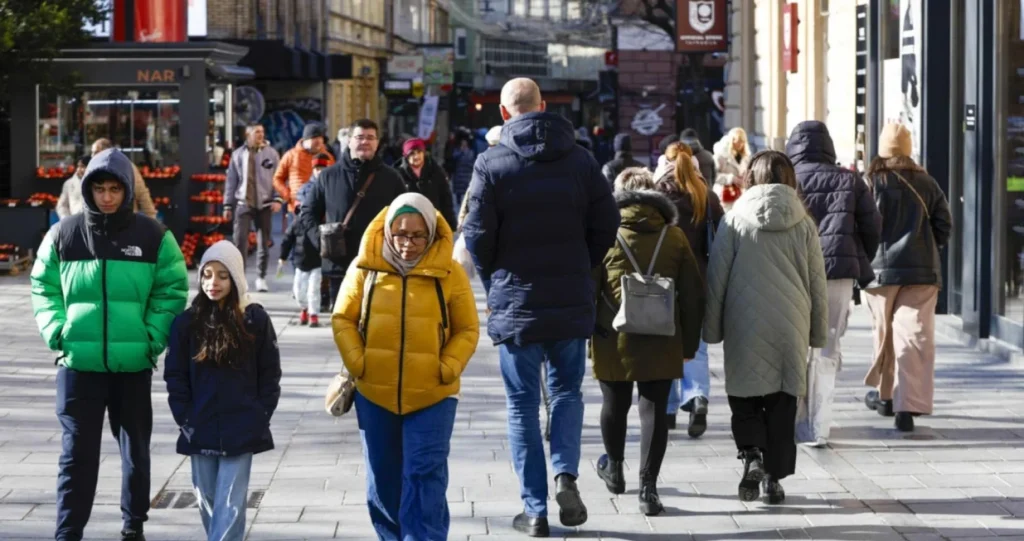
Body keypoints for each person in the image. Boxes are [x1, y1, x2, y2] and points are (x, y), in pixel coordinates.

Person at [463, 77, 620, 537]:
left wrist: (494, 280)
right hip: (569, 297)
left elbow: (476, 235)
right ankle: (565, 475)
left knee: (522, 406)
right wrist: (581, 264)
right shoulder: (581, 160)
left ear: (503, 113)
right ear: (544, 106)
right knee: (567, 392)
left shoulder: (491, 162)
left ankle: (534, 510)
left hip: (517, 301)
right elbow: (607, 223)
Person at [30, 149, 189, 541]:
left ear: (126, 190)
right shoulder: (63, 234)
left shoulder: (154, 236)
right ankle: (68, 532)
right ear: (87, 189)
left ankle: (133, 525)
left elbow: (172, 289)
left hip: (131, 366)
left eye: (114, 189)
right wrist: (58, 332)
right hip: (77, 366)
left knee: (136, 452)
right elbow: (43, 287)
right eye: (99, 189)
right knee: (76, 456)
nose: (106, 197)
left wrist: (151, 338)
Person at [332, 193, 479, 541]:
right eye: (400, 234)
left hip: (433, 395)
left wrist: (447, 367)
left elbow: (467, 329)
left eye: (417, 236)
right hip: (374, 393)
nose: (407, 243)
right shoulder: (364, 268)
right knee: (382, 478)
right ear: (387, 231)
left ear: (430, 233)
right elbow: (342, 318)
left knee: (424, 475)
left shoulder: (450, 272)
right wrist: (358, 361)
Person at [704, 150, 828, 505]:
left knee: (744, 395)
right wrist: (818, 333)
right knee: (782, 404)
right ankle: (773, 480)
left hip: (744, 322)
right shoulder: (804, 224)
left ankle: (752, 453)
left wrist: (711, 329)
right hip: (791, 324)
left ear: (750, 178)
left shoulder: (734, 220)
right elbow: (817, 282)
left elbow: (717, 278)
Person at [592, 167, 703, 516]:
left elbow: (589, 285)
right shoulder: (675, 236)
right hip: (663, 335)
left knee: (614, 403)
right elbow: (694, 295)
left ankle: (614, 469)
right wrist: (690, 345)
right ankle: (648, 488)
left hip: (612, 334)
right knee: (653, 409)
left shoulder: (605, 233)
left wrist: (588, 331)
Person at [164, 241, 281, 541]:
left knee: (231, 503)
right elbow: (175, 376)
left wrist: (260, 415)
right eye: (207, 275)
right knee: (206, 498)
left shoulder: (254, 320)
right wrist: (185, 418)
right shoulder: (186, 323)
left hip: (241, 425)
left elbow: (270, 373)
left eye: (222, 275)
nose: (213, 283)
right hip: (199, 425)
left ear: (236, 278)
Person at [786, 121, 882, 446]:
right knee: (827, 348)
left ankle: (796, 419)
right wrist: (856, 256)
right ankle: (819, 425)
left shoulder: (788, 179)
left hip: (794, 272)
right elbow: (873, 227)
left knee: (796, 345)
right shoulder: (849, 180)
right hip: (837, 274)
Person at [861, 123, 952, 432]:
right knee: (914, 336)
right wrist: (927, 246)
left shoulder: (871, 181)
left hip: (879, 271)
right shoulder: (927, 182)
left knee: (883, 334)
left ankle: (886, 397)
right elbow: (944, 225)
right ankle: (907, 406)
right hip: (922, 271)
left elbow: (861, 225)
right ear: (909, 149)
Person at [654, 142, 725, 438]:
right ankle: (697, 397)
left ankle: (668, 410)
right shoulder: (706, 195)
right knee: (697, 346)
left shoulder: (657, 195)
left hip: (663, 280)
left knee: (664, 343)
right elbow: (721, 238)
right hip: (699, 279)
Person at [300, 119, 406, 305]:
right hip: (339, 266)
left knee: (377, 319)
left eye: (370, 138)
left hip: (380, 265)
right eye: (359, 137)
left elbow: (405, 216)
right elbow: (308, 211)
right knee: (342, 319)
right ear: (349, 141)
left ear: (377, 143)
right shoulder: (328, 176)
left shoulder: (392, 178)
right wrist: (320, 240)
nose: (365, 142)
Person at [224, 124, 283, 293]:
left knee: (263, 243)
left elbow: (279, 178)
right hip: (243, 203)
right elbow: (231, 181)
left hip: (265, 204)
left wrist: (278, 199)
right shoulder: (237, 154)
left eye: (262, 132)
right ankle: (239, 279)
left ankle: (261, 277)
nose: (261, 134)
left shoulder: (271, 154)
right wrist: (227, 204)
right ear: (248, 134)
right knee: (240, 241)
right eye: (257, 132)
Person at [279, 180, 324, 327]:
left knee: (313, 290)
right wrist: (283, 256)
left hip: (317, 262)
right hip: (300, 262)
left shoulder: (319, 223)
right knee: (298, 290)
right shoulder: (296, 223)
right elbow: (287, 240)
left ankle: (313, 314)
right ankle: (304, 308)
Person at [274, 123, 335, 213]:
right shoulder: (291, 155)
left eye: (321, 140)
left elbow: (334, 178)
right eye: (315, 140)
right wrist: (287, 195)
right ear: (306, 140)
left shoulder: (328, 157)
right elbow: (277, 178)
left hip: (322, 207)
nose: (319, 143)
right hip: (297, 207)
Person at [396, 138, 457, 229]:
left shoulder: (436, 172)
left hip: (433, 224)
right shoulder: (398, 175)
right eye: (412, 153)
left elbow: (446, 200)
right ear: (406, 156)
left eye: (419, 152)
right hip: (407, 226)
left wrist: (450, 224)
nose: (416, 156)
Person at [91, 138, 158, 219]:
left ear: (105, 151)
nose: (92, 156)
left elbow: (142, 195)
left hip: (125, 221)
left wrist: (152, 220)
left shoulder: (126, 166)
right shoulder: (90, 168)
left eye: (95, 152)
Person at [712, 127, 753, 211]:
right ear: (732, 140)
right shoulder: (720, 156)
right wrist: (731, 179)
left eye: (743, 141)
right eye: (739, 140)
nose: (741, 144)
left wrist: (746, 179)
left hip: (741, 196)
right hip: (725, 196)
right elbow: (713, 175)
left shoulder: (746, 157)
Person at [450, 137, 475, 210]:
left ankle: (466, 202)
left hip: (466, 174)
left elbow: (471, 161)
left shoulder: (470, 152)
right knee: (458, 190)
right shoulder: (457, 152)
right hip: (459, 173)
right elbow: (454, 159)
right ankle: (458, 201)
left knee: (466, 189)